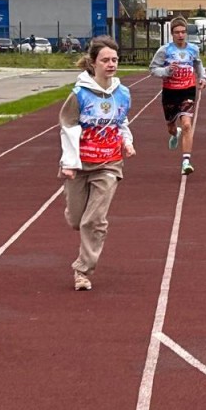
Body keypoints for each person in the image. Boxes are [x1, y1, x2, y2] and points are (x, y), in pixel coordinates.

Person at [58, 36, 135, 291]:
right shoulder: (79, 95)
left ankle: (82, 270)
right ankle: (75, 211)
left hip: (109, 163)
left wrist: (127, 142)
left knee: (94, 220)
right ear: (93, 63)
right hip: (79, 164)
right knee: (76, 220)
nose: (111, 64)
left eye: (114, 59)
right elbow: (67, 126)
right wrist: (69, 162)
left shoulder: (123, 93)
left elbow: (121, 122)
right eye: (105, 60)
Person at [150, 16, 206, 175]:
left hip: (188, 89)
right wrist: (167, 71)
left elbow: (198, 64)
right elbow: (153, 69)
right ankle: (175, 134)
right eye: (177, 32)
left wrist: (202, 77)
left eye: (183, 32)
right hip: (170, 91)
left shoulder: (193, 49)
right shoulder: (164, 50)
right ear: (172, 34)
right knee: (171, 126)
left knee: (187, 124)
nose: (180, 35)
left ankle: (186, 162)